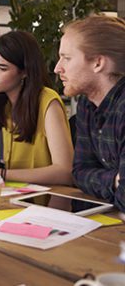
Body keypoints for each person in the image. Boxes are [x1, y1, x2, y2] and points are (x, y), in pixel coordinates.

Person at [0, 31, 73, 185]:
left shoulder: (48, 102)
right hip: (16, 195)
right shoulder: (6, 104)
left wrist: (0, 173)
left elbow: (65, 172)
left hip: (43, 202)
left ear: (24, 72)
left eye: (2, 68)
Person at [54, 15, 125, 211]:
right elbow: (79, 172)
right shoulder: (87, 103)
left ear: (98, 63)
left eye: (66, 58)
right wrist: (114, 180)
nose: (57, 68)